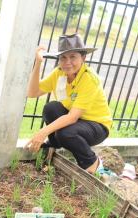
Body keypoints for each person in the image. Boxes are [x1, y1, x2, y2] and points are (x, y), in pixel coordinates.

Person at [25, 34, 112, 174]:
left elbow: (72, 118)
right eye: (63, 57)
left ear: (83, 58)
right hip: (78, 121)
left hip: (97, 126)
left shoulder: (89, 79)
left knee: (66, 133)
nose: (67, 62)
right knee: (51, 108)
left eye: (73, 57)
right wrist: (38, 63)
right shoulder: (59, 73)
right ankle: (54, 146)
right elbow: (32, 92)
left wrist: (42, 133)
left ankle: (92, 164)